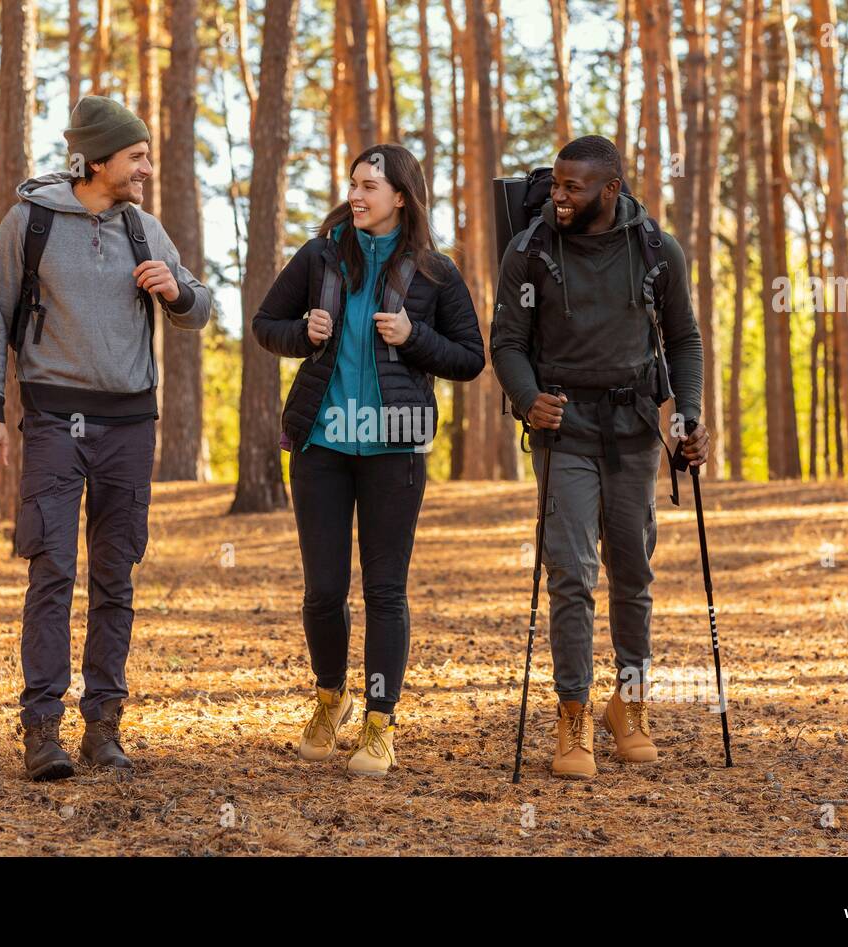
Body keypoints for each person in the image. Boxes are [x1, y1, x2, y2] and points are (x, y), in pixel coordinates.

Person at [0, 95, 212, 781]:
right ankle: (41, 728)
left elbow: (202, 306)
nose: (146, 167)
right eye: (136, 156)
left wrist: (178, 292)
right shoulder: (30, 222)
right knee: (52, 568)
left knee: (115, 573)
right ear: (98, 159)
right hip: (52, 422)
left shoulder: (144, 229)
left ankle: (103, 725)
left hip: (130, 426)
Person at [252, 144, 484, 776]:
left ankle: (380, 723)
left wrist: (416, 338)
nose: (356, 195)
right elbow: (264, 324)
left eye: (370, 187)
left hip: (396, 447)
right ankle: (331, 698)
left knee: (385, 589)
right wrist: (304, 334)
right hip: (320, 446)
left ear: (401, 197)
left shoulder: (436, 271)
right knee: (324, 590)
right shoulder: (321, 256)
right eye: (353, 184)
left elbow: (470, 358)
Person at [490, 135, 710, 778]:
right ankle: (574, 715)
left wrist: (687, 414)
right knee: (571, 572)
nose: (558, 196)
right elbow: (505, 341)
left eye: (572, 187)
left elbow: (684, 337)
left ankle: (631, 704)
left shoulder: (654, 251)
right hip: (565, 433)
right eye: (554, 185)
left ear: (610, 189)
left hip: (635, 428)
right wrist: (529, 398)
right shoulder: (528, 250)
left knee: (634, 573)